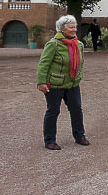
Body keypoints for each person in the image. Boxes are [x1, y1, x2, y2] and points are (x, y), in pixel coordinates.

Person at [36, 15, 88, 150]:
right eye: (71, 27)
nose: (74, 29)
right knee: (53, 111)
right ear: (62, 29)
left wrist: (78, 76)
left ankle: (80, 136)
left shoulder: (79, 44)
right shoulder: (53, 44)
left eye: (75, 27)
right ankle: (50, 140)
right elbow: (43, 64)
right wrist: (41, 82)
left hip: (72, 84)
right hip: (55, 84)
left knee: (77, 110)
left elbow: (81, 62)